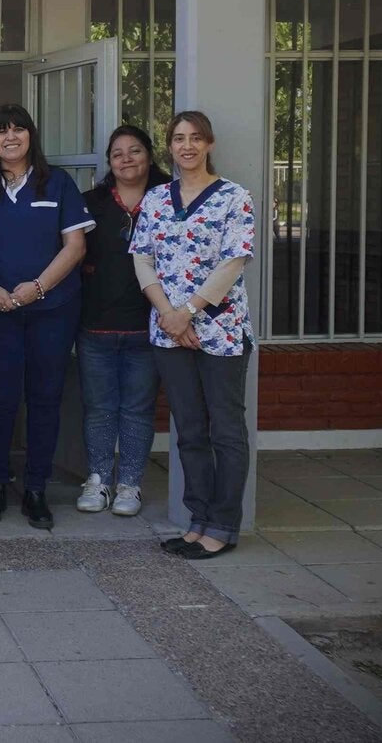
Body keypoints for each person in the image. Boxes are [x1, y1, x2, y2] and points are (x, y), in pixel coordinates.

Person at [132, 111, 255, 559]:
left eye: (196, 138)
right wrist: (169, 314)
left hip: (220, 331)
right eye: (179, 138)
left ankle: (223, 525)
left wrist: (188, 312)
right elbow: (142, 259)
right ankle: (197, 519)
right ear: (170, 146)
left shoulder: (234, 198)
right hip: (169, 332)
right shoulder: (157, 199)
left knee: (225, 430)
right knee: (189, 431)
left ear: (209, 143)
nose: (187, 146)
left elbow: (233, 262)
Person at [0, 105, 94, 530]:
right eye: (1, 131)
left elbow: (74, 247)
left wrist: (37, 288)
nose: (10, 137)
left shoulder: (57, 182)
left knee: (44, 398)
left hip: (52, 311)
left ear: (30, 136)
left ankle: (36, 487)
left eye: (18, 129)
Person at [76, 126, 171, 517]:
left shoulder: (169, 199)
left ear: (149, 155)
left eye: (135, 151)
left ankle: (130, 483)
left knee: (137, 408)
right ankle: (98, 480)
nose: (127, 159)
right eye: (118, 153)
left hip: (148, 326)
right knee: (99, 408)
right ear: (109, 162)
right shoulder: (90, 203)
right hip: (95, 325)